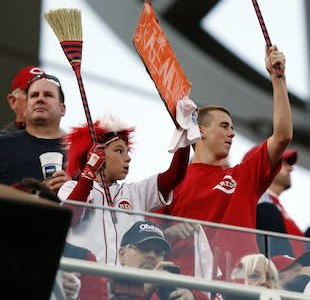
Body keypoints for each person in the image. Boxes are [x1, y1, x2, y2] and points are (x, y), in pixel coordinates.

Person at [156, 46, 292, 276]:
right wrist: (172, 231)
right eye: (224, 126)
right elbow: (149, 237)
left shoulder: (244, 175)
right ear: (201, 131)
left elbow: (282, 136)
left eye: (233, 128)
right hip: (191, 289)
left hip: (241, 286)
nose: (232, 133)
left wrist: (278, 80)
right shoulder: (171, 183)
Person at [57, 114, 191, 265]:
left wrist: (184, 131)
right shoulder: (71, 187)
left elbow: (175, 176)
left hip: (124, 282)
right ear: (95, 154)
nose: (128, 158)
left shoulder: (135, 192)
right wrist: (88, 174)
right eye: (119, 151)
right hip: (84, 279)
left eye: (127, 151)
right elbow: (69, 219)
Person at [0, 73, 69, 192]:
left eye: (48, 95)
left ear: (62, 109)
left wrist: (73, 187)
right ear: (25, 109)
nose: (40, 99)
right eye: (34, 95)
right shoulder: (2, 145)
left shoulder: (82, 153)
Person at [108, 220, 208, 300]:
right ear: (122, 255)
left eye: (158, 252)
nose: (152, 255)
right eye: (144, 248)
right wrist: (145, 290)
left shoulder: (169, 289)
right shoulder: (108, 284)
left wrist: (192, 297)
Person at [244, 146, 306, 257]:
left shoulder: (275, 205)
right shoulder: (257, 203)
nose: (290, 168)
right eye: (283, 162)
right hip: (285, 271)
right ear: (263, 166)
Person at [0, 65, 45, 135]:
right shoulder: (4, 142)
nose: (40, 98)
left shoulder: (63, 143)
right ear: (13, 101)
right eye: (31, 92)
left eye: (47, 94)